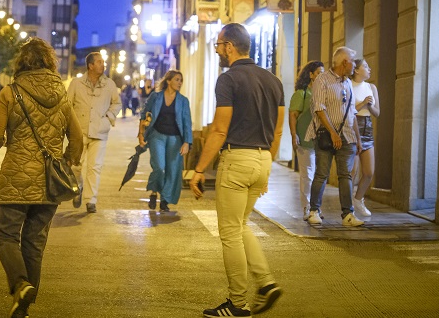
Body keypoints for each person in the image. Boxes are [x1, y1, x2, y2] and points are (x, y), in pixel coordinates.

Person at [190, 23, 284, 317]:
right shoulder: (273, 81)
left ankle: (238, 303)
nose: (217, 50)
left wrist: (199, 169)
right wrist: (266, 165)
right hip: (262, 159)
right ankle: (266, 284)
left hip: (237, 160)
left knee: (230, 233)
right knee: (241, 225)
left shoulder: (228, 80)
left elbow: (219, 130)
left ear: (230, 46)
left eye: (218, 45)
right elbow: (278, 132)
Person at [0, 38, 84, 318]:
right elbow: (76, 138)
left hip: (15, 178)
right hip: (50, 183)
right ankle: (23, 308)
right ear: (49, 62)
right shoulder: (62, 95)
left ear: (21, 63)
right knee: (34, 242)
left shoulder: (11, 91)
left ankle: (20, 284)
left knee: (5, 235)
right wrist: (66, 160)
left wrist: (2, 143)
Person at [306, 47, 365, 228]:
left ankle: (348, 214)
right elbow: (319, 108)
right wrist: (332, 132)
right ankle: (314, 211)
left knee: (345, 175)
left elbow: (352, 112)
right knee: (322, 174)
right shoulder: (322, 80)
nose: (355, 66)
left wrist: (358, 138)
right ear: (345, 62)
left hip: (347, 136)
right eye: (353, 62)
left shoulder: (348, 83)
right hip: (325, 135)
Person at [67, 52, 121, 213]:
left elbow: (117, 103)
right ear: (90, 65)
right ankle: (78, 187)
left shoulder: (109, 84)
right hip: (79, 131)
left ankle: (91, 200)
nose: (103, 65)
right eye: (99, 62)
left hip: (100, 131)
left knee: (95, 167)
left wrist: (108, 118)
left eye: (103, 62)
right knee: (75, 166)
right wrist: (68, 126)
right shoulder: (76, 83)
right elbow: (67, 105)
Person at [137, 70, 192, 212]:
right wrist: (141, 134)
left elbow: (187, 123)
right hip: (157, 136)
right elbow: (144, 114)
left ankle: (165, 200)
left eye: (181, 80)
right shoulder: (156, 97)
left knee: (173, 170)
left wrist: (187, 142)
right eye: (177, 79)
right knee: (160, 168)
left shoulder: (183, 101)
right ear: (168, 81)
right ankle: (154, 192)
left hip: (175, 139)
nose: (179, 83)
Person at [288, 61, 325, 219]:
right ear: (310, 75)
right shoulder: (301, 93)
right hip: (304, 138)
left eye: (323, 74)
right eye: (318, 73)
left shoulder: (324, 93)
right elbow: (293, 115)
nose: (321, 76)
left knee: (319, 175)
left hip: (321, 139)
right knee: (307, 175)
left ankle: (315, 208)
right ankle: (306, 207)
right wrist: (294, 135)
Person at [352, 58, 379, 218]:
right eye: (366, 66)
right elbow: (348, 110)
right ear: (356, 70)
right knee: (352, 172)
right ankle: (348, 207)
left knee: (369, 172)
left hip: (367, 127)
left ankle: (358, 199)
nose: (369, 69)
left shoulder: (371, 87)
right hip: (353, 127)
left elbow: (377, 113)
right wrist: (362, 104)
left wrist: (369, 105)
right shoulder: (349, 86)